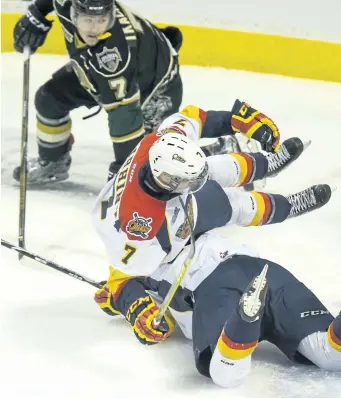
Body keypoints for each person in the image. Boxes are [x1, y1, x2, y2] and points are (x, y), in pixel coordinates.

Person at [91, 104, 332, 352]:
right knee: (230, 205)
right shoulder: (140, 225)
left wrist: (237, 120)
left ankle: (267, 163)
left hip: (157, 204)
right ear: (168, 181)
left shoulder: (163, 142)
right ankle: (286, 207)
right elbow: (121, 279)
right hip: (160, 232)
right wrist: (133, 306)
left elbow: (195, 117)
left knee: (213, 170)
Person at [98, 229, 341, 388]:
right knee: (329, 353)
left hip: (217, 286)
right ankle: (247, 318)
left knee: (225, 372)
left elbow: (132, 297)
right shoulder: (195, 221)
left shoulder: (138, 264)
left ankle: (243, 322)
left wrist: (122, 301)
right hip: (266, 271)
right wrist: (118, 299)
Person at [12, 0, 183, 183]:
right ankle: (53, 162)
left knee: (151, 165)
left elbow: (124, 117)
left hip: (156, 87)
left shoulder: (114, 54)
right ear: (73, 14)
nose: (94, 29)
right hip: (98, 68)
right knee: (49, 100)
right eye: (87, 20)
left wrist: (123, 173)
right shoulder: (66, 4)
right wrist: (37, 13)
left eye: (101, 20)